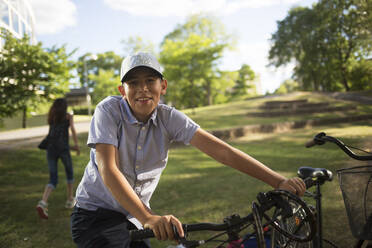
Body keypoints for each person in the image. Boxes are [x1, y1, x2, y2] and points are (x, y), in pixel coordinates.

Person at [71, 52, 306, 247]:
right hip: (94, 215)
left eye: (150, 81)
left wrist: (278, 181)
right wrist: (149, 218)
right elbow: (108, 169)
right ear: (122, 91)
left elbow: (222, 151)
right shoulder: (108, 111)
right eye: (133, 83)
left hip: (131, 217)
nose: (142, 88)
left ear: (162, 86)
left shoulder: (169, 117)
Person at [36, 98, 80, 219]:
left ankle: (43, 202)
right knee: (69, 173)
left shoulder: (52, 117)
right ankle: (70, 199)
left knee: (53, 178)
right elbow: (73, 130)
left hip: (51, 149)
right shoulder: (67, 117)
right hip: (63, 149)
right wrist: (76, 145)